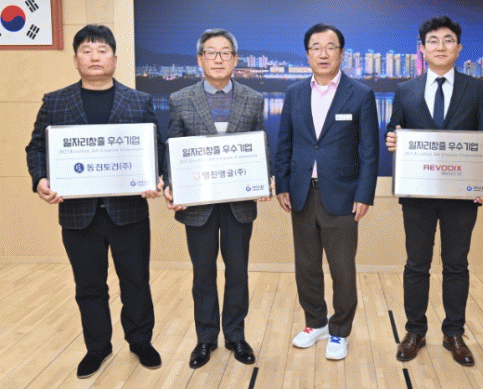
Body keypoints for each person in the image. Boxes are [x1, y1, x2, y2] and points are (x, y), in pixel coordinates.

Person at [25, 24, 165, 379]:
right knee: (88, 286)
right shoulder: (55, 101)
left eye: (102, 50)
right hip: (78, 214)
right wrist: (40, 179)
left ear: (114, 59)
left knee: (136, 281)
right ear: (76, 60)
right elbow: (37, 147)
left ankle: (140, 341)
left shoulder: (138, 101)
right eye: (86, 51)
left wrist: (157, 177)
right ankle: (97, 347)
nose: (95, 57)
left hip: (129, 211)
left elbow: (156, 148)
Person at [385, 16, 483, 366]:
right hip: (418, 195)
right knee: (416, 264)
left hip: (461, 196)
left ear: (459, 48)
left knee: (456, 265)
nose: (441, 46)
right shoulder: (405, 89)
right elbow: (395, 130)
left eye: (448, 40)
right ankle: (414, 331)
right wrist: (392, 140)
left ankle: (454, 333)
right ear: (423, 49)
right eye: (433, 40)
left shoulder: (476, 89)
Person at [163, 28, 270, 368]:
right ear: (200, 59)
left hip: (239, 204)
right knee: (203, 274)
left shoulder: (253, 98)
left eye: (226, 53)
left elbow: (259, 144)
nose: (219, 59)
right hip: (198, 205)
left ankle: (236, 336)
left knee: (238, 272)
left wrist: (263, 180)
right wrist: (172, 185)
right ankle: (206, 338)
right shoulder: (180, 99)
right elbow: (173, 149)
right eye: (211, 52)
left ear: (235, 60)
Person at [275, 23, 379, 360]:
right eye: (316, 47)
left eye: (330, 47)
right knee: (306, 266)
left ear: (341, 53)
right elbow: (285, 142)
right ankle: (315, 323)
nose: (323, 53)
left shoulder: (360, 94)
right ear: (307, 54)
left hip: (343, 196)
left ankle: (340, 331)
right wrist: (282, 184)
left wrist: (364, 194)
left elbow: (369, 151)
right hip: (302, 193)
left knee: (342, 269)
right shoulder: (294, 93)